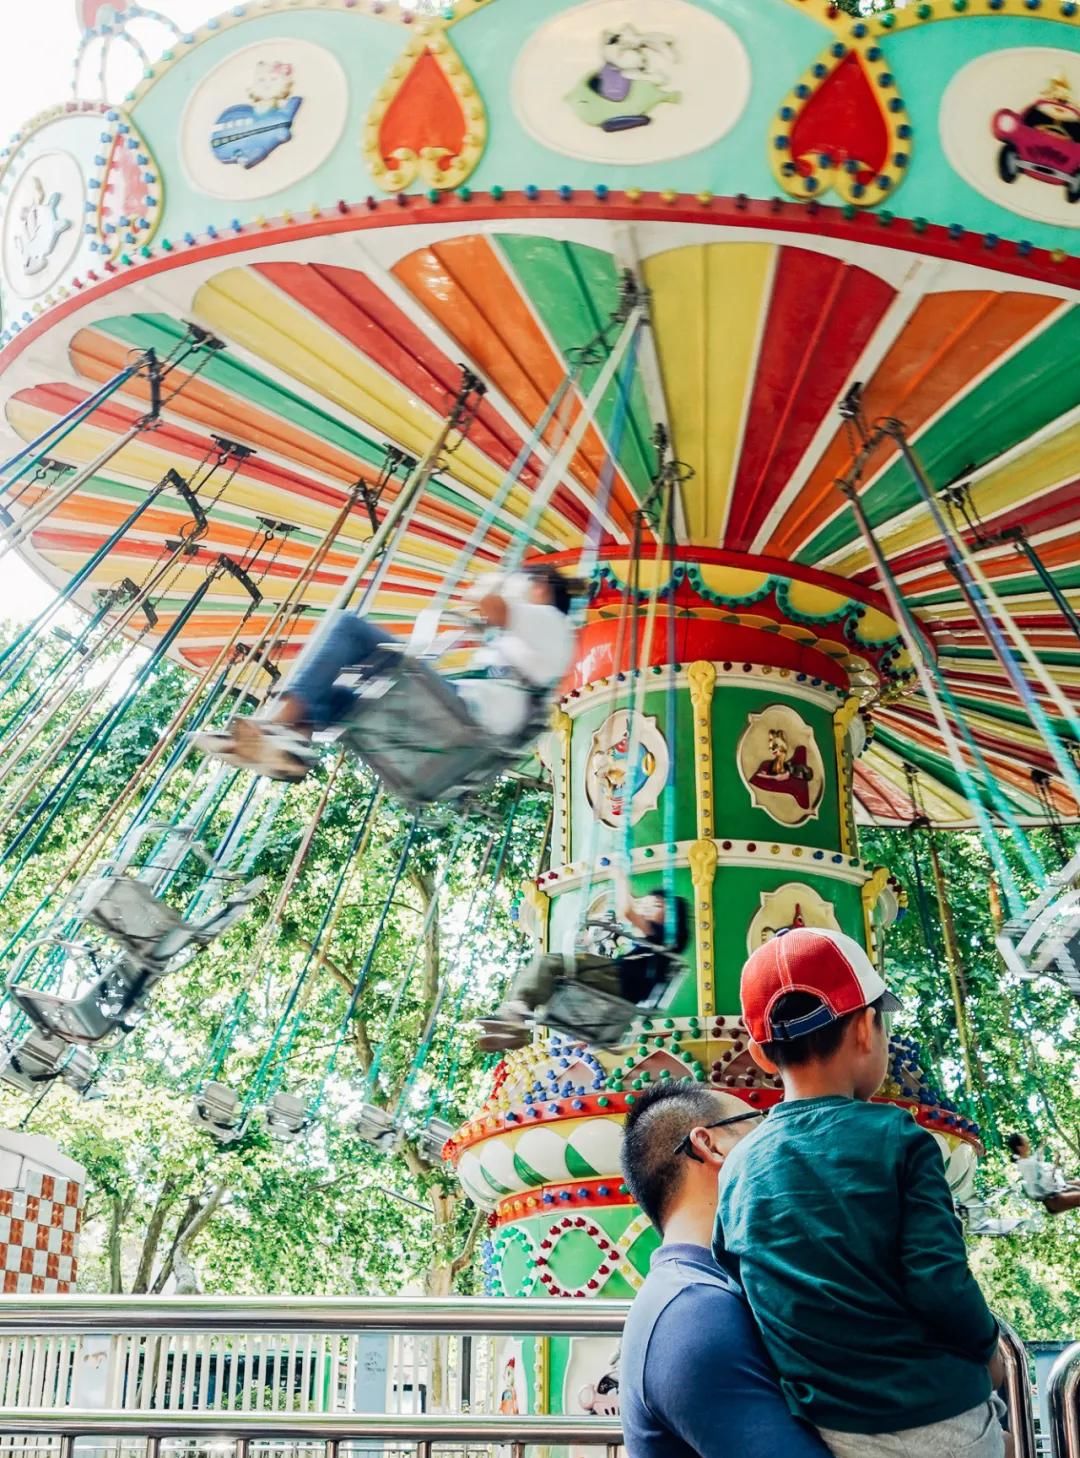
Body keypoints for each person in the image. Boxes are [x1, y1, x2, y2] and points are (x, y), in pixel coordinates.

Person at [714, 926, 1009, 1458]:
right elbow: (939, 1281)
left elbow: (742, 1287)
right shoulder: (898, 1138)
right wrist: (988, 1347)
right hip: (937, 1415)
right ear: (867, 1030)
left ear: (760, 1054)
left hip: (828, 1430)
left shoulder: (737, 1167)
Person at [195, 563, 577, 781]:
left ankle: (276, 727)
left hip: (469, 718)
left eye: (522, 582)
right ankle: (290, 741)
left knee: (349, 629)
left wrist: (494, 587)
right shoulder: (535, 646)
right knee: (353, 683)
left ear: (540, 586)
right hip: (468, 728)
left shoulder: (549, 622)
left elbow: (489, 604)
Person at [619, 1078, 830, 1458]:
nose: (778, 1142)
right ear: (709, 1145)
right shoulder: (691, 1311)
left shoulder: (703, 1291)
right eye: (761, 1122)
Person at [476, 868, 689, 1052]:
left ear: (672, 919)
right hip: (622, 986)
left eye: (657, 906)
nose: (648, 908)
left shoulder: (664, 939)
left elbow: (627, 912)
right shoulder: (656, 947)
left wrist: (619, 876)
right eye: (648, 904)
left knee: (548, 963)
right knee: (554, 979)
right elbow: (633, 908)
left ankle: (515, 1014)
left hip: (617, 979)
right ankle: (516, 1024)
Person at [1007, 1131, 1080, 1214]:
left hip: (1056, 1190)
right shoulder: (1027, 1165)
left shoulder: (1025, 1161)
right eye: (1025, 1142)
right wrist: (1056, 1164)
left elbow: (1037, 1159)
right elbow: (1044, 1182)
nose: (1028, 1143)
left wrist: (1042, 1144)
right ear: (1020, 1148)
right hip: (1054, 1199)